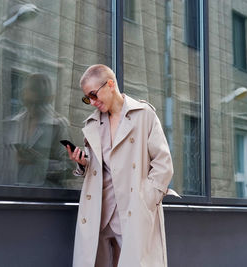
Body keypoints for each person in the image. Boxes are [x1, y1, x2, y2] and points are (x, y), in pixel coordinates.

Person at [66, 64, 177, 267]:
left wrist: (145, 199)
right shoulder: (92, 123)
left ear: (110, 84)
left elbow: (164, 164)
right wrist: (84, 162)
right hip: (98, 211)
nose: (92, 102)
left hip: (132, 209)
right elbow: (103, 164)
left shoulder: (144, 115)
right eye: (87, 99)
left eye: (93, 95)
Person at [2, 73, 72, 187]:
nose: (34, 108)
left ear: (47, 99)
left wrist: (39, 162)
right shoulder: (11, 124)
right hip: (12, 195)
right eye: (30, 103)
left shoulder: (59, 125)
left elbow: (70, 167)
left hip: (45, 197)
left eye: (38, 103)